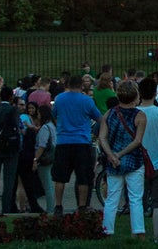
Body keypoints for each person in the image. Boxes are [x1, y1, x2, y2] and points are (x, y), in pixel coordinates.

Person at [98, 80, 147, 237]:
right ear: (135, 97)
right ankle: (138, 230)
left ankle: (107, 229)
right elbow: (137, 140)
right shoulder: (140, 116)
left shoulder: (109, 113)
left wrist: (112, 155)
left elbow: (102, 137)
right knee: (135, 198)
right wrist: (120, 154)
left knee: (112, 197)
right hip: (134, 160)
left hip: (114, 162)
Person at [51, 73, 103, 215]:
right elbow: (99, 118)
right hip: (81, 141)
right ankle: (81, 206)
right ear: (81, 85)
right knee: (83, 177)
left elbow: (54, 114)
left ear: (67, 85)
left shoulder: (59, 99)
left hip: (63, 141)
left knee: (60, 177)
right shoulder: (86, 101)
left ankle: (58, 205)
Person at [136, 78, 158, 242]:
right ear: (156, 93)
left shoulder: (135, 113)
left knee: (138, 200)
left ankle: (139, 234)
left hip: (139, 162)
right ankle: (156, 236)